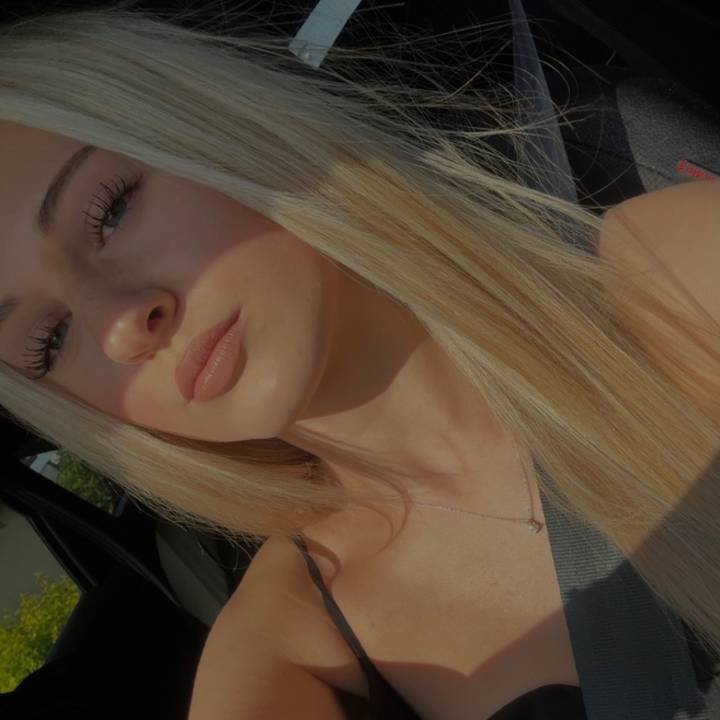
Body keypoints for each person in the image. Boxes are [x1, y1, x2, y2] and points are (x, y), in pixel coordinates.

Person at [0, 4, 719, 719]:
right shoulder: (282, 646)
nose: (122, 327)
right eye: (50, 339)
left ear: (224, 126)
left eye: (110, 209)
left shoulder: (667, 284)